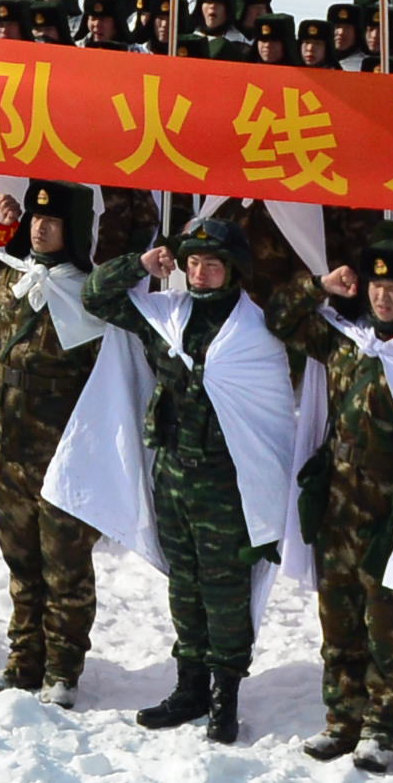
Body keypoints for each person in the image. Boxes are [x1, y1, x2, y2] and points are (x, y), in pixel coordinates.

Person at [48, 208, 331, 744]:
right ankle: (190, 687)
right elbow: (96, 298)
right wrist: (140, 264)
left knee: (224, 592)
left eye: (212, 265)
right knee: (184, 587)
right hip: (173, 475)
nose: (200, 273)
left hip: (230, 483)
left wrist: (317, 286)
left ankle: (225, 696)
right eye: (193, 263)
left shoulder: (256, 330)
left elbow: (289, 347)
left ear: (233, 270)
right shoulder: (165, 315)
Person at [0, 179, 114, 698]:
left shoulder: (91, 296)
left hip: (64, 453)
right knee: (21, 561)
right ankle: (24, 661)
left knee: (65, 566)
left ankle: (63, 670)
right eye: (36, 218)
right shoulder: (12, 278)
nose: (40, 228)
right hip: (10, 446)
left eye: (53, 221)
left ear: (74, 230)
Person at [306, 241, 393, 768]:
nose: (381, 298)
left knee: (389, 626)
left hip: (391, 511)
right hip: (338, 507)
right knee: (338, 621)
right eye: (375, 286)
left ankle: (383, 727)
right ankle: (342, 718)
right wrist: (320, 286)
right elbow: (281, 317)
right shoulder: (352, 341)